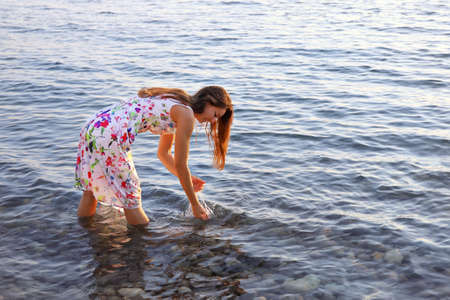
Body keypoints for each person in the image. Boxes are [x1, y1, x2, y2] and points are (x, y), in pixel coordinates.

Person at [75, 86, 233, 225]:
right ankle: (143, 248)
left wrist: (188, 179)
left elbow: (163, 154)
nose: (213, 121)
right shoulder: (186, 115)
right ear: (208, 101)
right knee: (131, 198)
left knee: (91, 189)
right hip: (110, 136)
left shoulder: (177, 101)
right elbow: (180, 164)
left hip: (94, 126)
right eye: (215, 115)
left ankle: (83, 232)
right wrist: (195, 204)